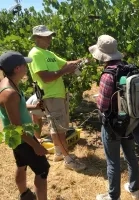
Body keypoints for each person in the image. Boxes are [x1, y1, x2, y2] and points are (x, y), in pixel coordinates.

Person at [89, 35, 139, 200]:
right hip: (131, 121)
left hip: (113, 125)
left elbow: (104, 105)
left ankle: (113, 196)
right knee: (130, 155)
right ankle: (134, 189)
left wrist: (98, 99)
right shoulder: (130, 69)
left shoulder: (108, 75)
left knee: (113, 161)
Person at [28, 24, 86, 171]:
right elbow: (46, 77)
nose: (50, 39)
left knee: (57, 127)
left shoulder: (49, 53)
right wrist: (64, 71)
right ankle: (69, 160)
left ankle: (59, 153)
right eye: (46, 36)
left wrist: (82, 60)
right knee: (59, 128)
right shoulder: (35, 54)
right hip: (50, 96)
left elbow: (65, 63)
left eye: (50, 36)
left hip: (58, 95)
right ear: (37, 38)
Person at [0, 51, 50, 200]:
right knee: (42, 171)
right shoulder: (10, 93)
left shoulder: (7, 83)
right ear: (17, 68)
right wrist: (36, 146)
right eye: (24, 64)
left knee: (21, 164)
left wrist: (33, 107)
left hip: (17, 139)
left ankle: (25, 194)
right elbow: (17, 126)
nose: (27, 67)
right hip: (23, 139)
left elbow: (14, 110)